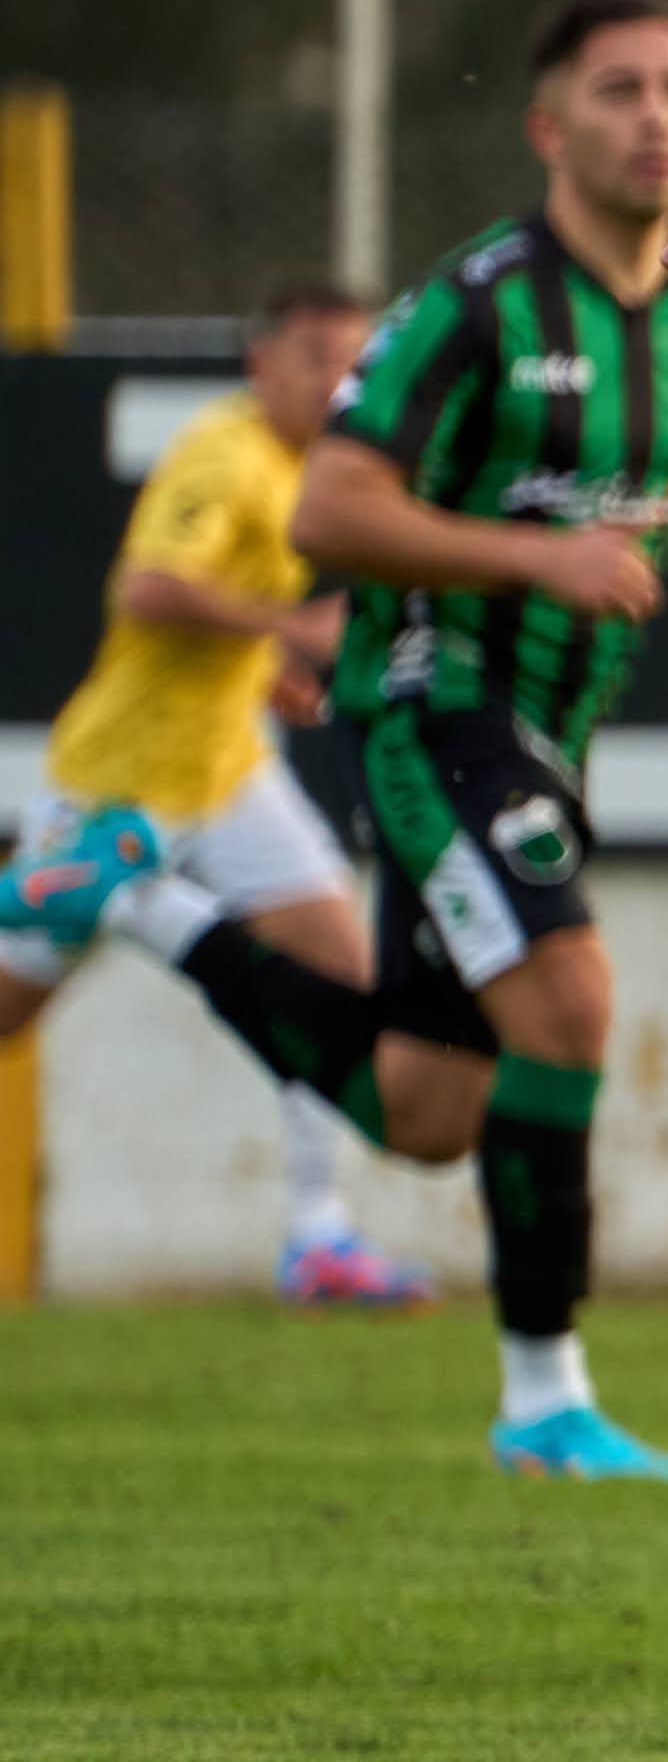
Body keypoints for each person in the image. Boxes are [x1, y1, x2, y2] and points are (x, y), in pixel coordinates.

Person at [17, 0, 668, 1476]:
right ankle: (543, 1399)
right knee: (571, 1001)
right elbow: (331, 506)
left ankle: (144, 899)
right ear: (550, 125)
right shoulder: (475, 303)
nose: (657, 115)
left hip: (558, 725)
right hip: (437, 706)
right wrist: (530, 556)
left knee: (428, 1107)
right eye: (619, 90)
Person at [0, 281, 428, 1304]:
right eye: (315, 358)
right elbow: (147, 587)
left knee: (344, 981)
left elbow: (215, 612)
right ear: (260, 363)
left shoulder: (308, 467)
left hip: (229, 774)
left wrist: (264, 674)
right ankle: (85, 879)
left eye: (353, 362)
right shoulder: (225, 453)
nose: (338, 383)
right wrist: (293, 633)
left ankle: (320, 1238)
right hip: (122, 785)